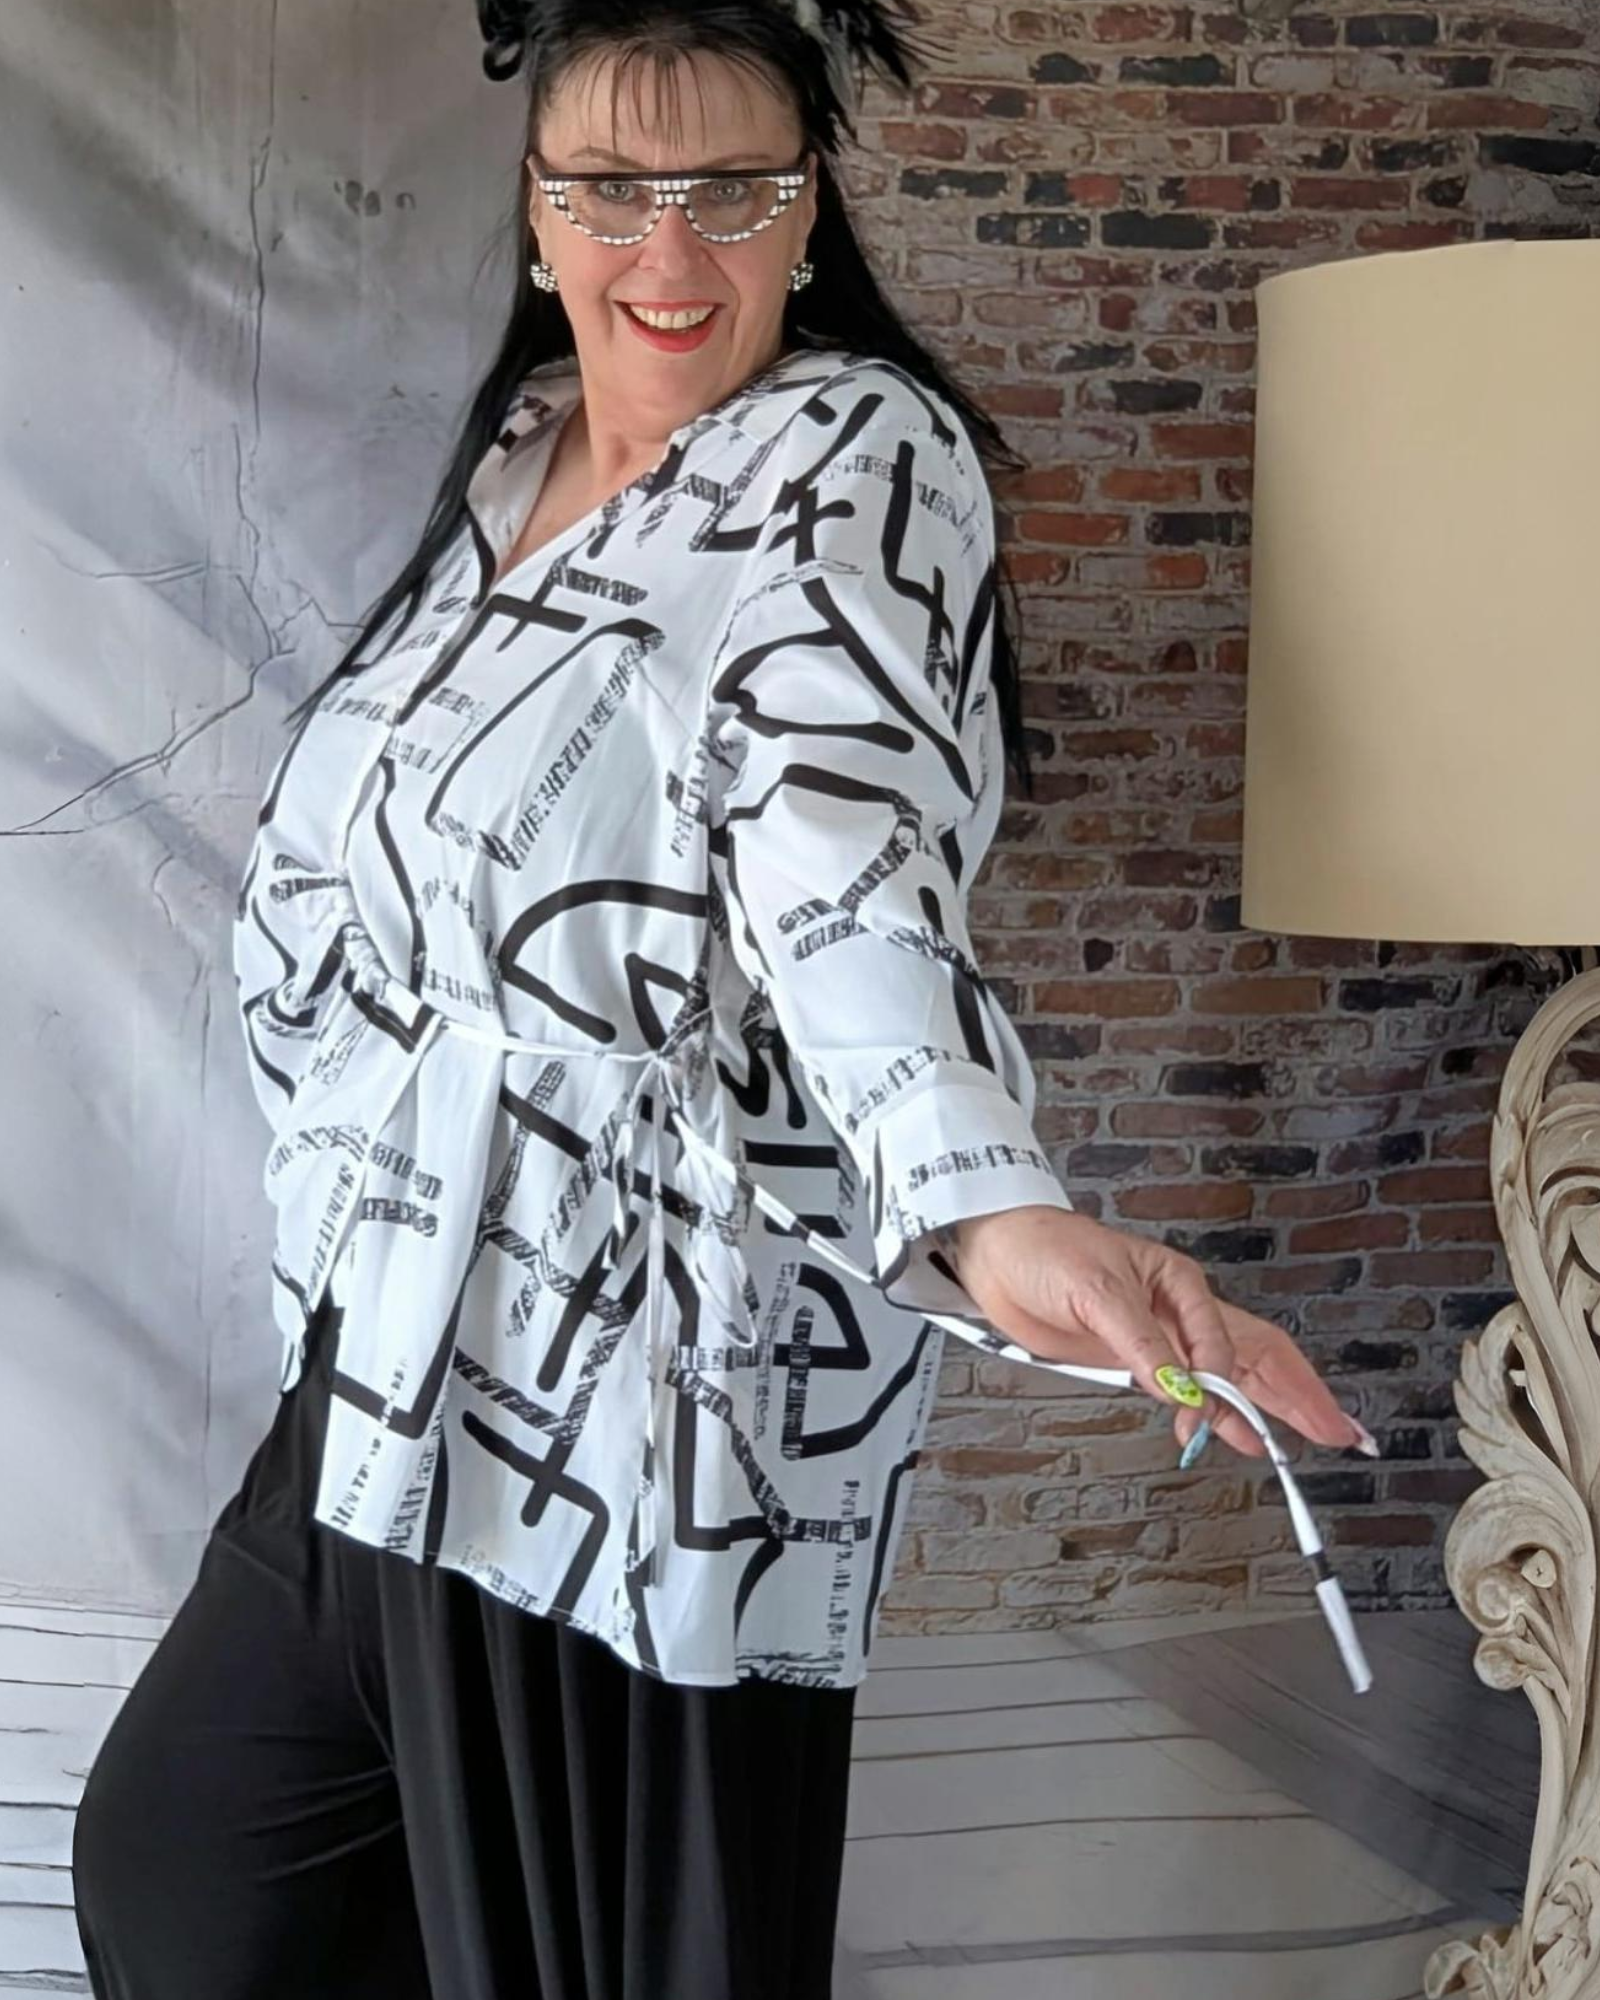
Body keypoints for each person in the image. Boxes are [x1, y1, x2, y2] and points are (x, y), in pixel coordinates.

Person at [69, 1, 1374, 1994]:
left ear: (807, 209)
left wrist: (986, 1208)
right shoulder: (516, 460)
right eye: (611, 189)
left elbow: (836, 857)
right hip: (387, 1340)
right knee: (190, 1867)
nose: (667, 251)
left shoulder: (857, 455)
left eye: (731, 191)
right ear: (536, 213)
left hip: (632, 1382)